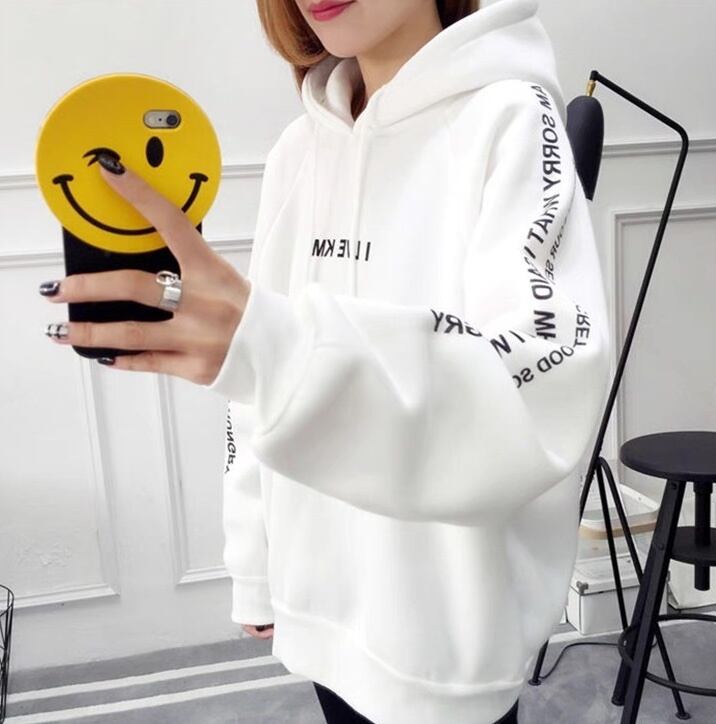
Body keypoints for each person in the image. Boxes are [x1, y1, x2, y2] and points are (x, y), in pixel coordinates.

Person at [39, 0, 611, 722]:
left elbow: (535, 389)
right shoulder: (298, 149)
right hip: (318, 613)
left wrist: (279, 348)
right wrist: (256, 565)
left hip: (442, 648)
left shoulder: (512, 119)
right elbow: (253, 391)